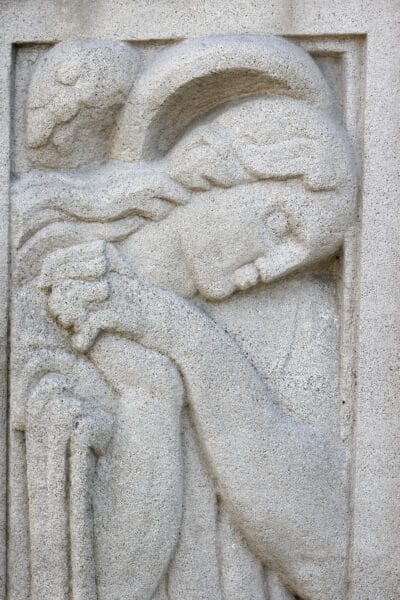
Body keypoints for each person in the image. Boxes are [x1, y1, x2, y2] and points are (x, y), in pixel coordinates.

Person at [13, 95, 356, 600]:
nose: (272, 268)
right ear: (210, 171)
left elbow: (332, 562)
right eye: (281, 225)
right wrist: (152, 396)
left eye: (300, 260)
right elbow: (99, 580)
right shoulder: (48, 297)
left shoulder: (299, 322)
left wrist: (190, 339)